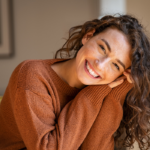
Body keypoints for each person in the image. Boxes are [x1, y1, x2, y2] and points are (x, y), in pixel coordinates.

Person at [0, 14, 150, 150]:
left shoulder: (104, 88)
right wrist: (93, 94)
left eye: (116, 65)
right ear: (88, 36)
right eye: (102, 48)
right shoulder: (32, 75)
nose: (100, 64)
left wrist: (119, 91)